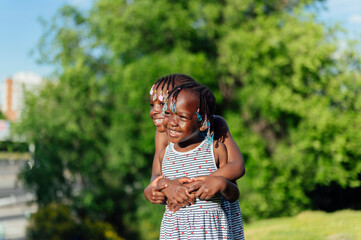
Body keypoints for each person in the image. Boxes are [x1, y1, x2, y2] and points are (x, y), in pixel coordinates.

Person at [156, 82, 244, 239]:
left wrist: (221, 183)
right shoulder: (165, 155)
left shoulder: (215, 149)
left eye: (182, 116)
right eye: (168, 113)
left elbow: (233, 194)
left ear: (203, 123)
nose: (172, 122)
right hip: (175, 233)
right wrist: (165, 186)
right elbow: (158, 186)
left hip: (210, 232)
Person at [144, 74, 245, 210]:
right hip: (183, 213)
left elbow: (237, 166)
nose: (155, 111)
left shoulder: (214, 124)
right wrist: (161, 188)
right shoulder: (162, 134)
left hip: (216, 211)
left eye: (162, 104)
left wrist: (202, 183)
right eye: (152, 104)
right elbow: (156, 176)